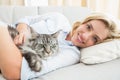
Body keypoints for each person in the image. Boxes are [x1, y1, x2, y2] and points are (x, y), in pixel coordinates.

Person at [0, 12, 120, 80]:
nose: (85, 36)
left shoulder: (71, 54)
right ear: (84, 22)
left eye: (94, 38)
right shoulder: (59, 18)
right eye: (88, 27)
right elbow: (26, 19)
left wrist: (3, 30)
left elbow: (15, 72)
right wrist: (23, 30)